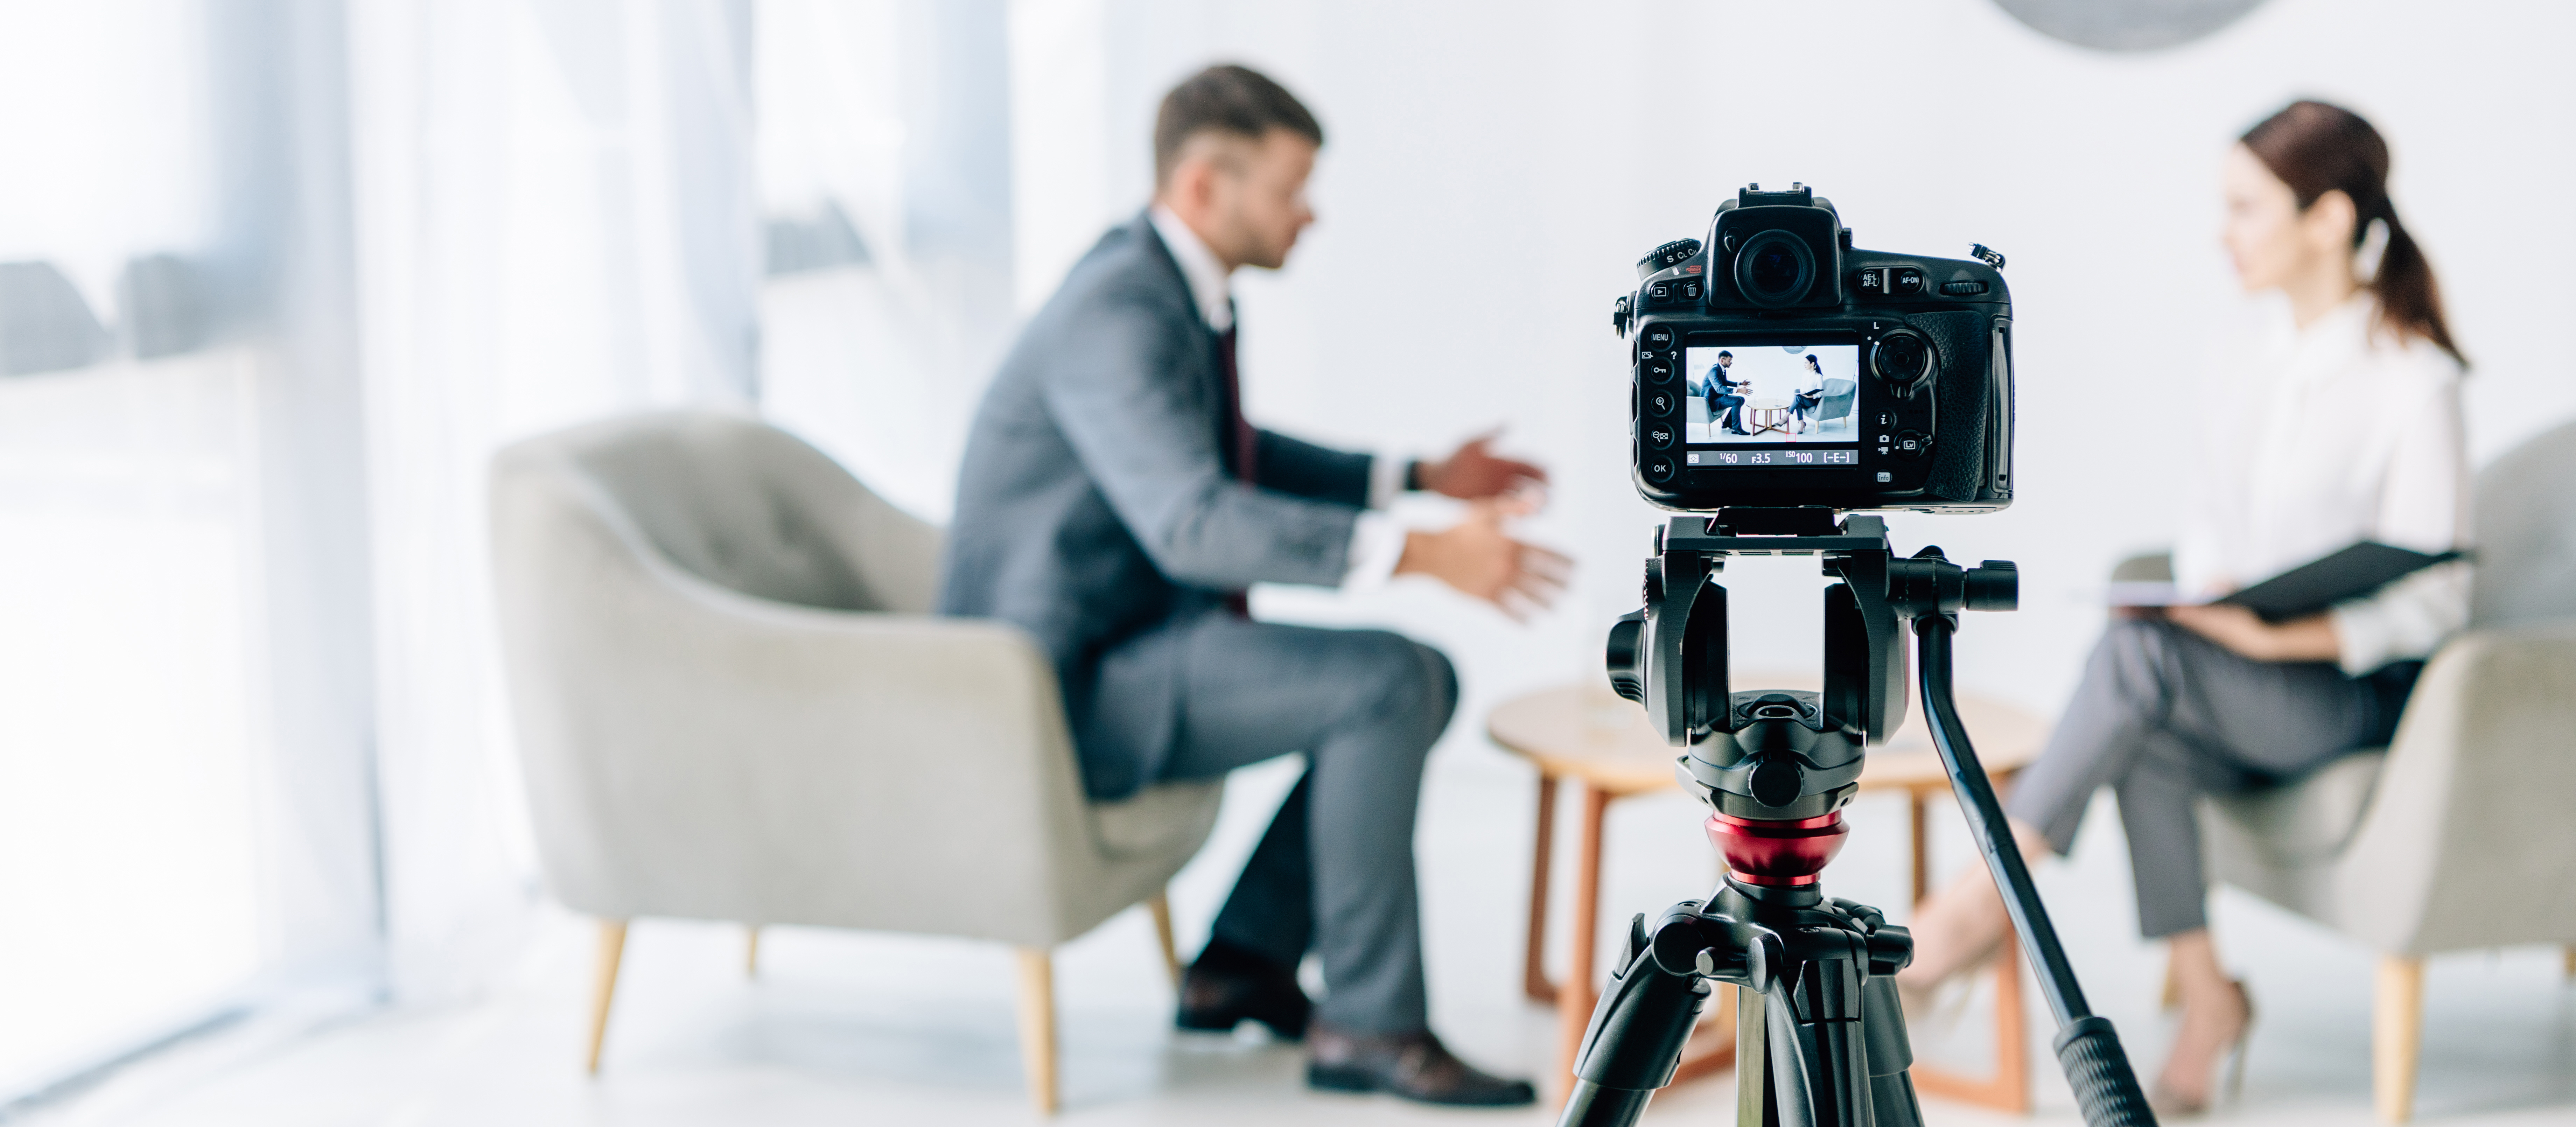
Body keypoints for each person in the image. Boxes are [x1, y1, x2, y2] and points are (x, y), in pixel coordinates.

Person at [939, 65, 1567, 1107]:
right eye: (1289, 188)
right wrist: (1420, 551)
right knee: (1386, 680)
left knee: (1415, 680)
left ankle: (1240, 964)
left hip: (1132, 637)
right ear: (1201, 187)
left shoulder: (1159, 285)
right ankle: (1367, 1023)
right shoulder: (1118, 311)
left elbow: (1231, 451)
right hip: (1056, 683)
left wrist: (1410, 476)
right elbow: (1193, 520)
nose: (1308, 212)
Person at [1897, 99, 2468, 1116]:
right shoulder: (2236, 355)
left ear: (2326, 219)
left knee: (2133, 665)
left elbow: (2438, 595)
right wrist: (2211, 604)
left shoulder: (2413, 381)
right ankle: (2207, 999)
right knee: (2142, 715)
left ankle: (1958, 916)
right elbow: (2208, 523)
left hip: (2349, 689)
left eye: (2245, 208)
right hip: (2230, 667)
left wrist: (2278, 631)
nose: (2223, 233)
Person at [1704, 350, 1748, 434]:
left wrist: (1740, 384)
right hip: (1711, 401)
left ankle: (1727, 423)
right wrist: (1739, 390)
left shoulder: (1720, 369)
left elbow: (1725, 382)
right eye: (1729, 361)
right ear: (1722, 360)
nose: (1731, 363)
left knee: (1741, 399)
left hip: (1717, 398)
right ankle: (1736, 429)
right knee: (1737, 401)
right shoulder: (1715, 371)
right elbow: (1719, 389)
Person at [1788, 353, 1827, 434]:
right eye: (1804, 363)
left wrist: (1810, 396)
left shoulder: (1819, 376)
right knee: (1798, 401)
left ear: (1812, 364)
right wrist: (1803, 394)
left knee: (1797, 399)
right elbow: (1802, 387)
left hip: (1813, 401)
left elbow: (1820, 393)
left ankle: (1786, 417)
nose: (1804, 365)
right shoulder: (1805, 374)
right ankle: (1802, 424)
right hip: (1805, 399)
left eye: (1806, 363)